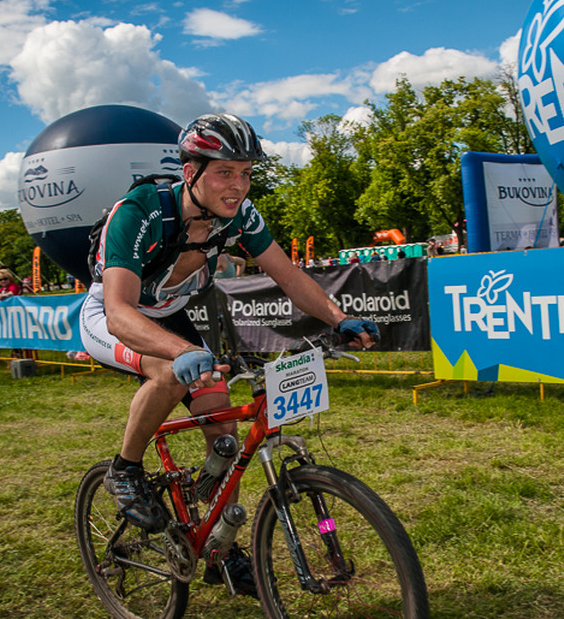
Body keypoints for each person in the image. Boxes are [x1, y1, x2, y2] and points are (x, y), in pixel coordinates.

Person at [78, 113, 378, 586]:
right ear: (190, 172)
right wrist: (180, 351)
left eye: (246, 173)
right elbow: (119, 311)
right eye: (224, 172)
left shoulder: (241, 215)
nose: (237, 185)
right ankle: (125, 470)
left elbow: (291, 276)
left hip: (169, 315)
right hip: (113, 315)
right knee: (170, 371)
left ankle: (220, 546)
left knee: (223, 425)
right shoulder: (142, 211)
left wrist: (339, 319)